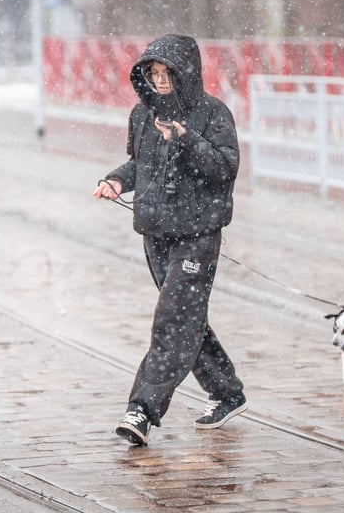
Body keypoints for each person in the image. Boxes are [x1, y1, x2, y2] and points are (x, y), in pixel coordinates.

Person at [92, 34, 247, 446]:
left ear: (186, 73)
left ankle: (142, 409)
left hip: (198, 236)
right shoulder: (142, 115)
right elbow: (140, 164)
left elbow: (224, 169)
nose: (160, 82)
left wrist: (185, 140)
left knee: (173, 319)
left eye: (167, 74)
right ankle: (226, 391)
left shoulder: (213, 114)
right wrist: (116, 180)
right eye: (154, 74)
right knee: (184, 318)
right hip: (156, 236)